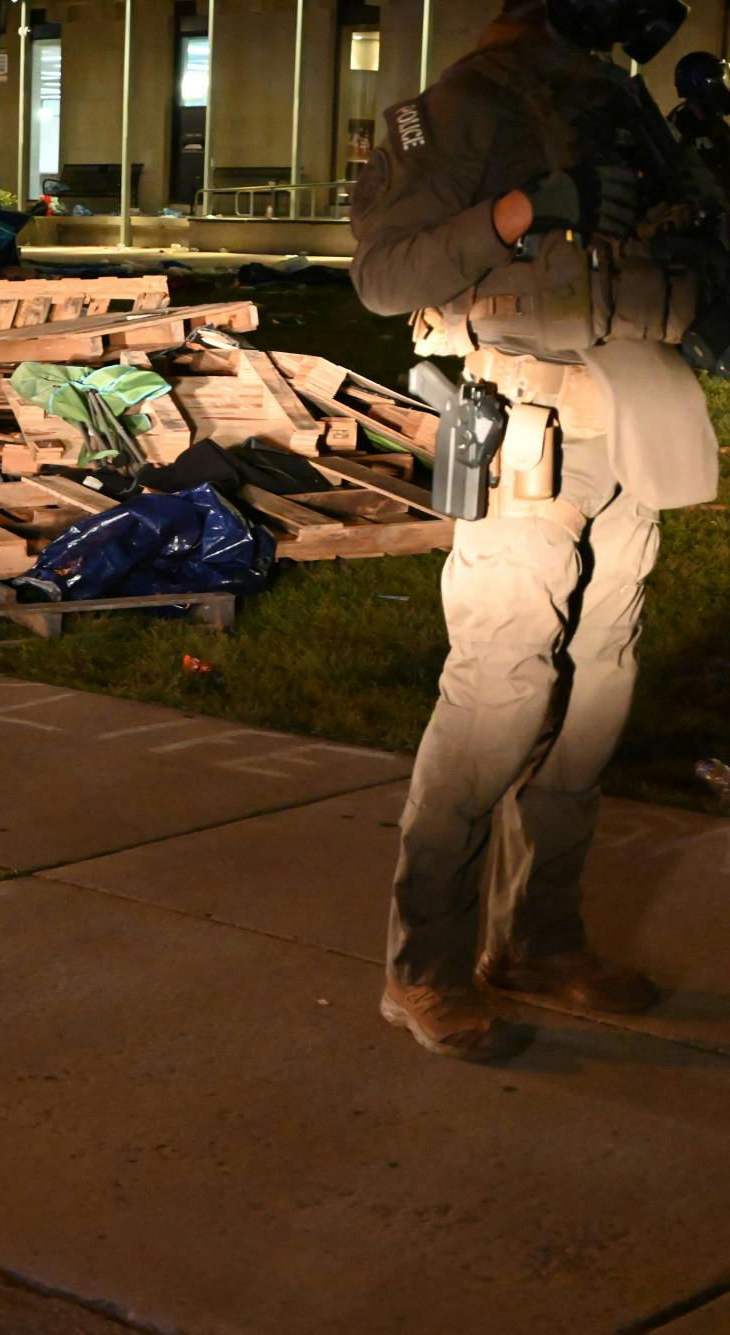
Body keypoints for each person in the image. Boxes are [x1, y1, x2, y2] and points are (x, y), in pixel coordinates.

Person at [350, 0, 719, 1060]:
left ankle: (538, 942)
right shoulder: (459, 104)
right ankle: (421, 968)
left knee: (600, 686)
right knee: (500, 688)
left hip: (634, 409)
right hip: (527, 423)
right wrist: (519, 210)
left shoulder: (606, 98)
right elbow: (382, 278)